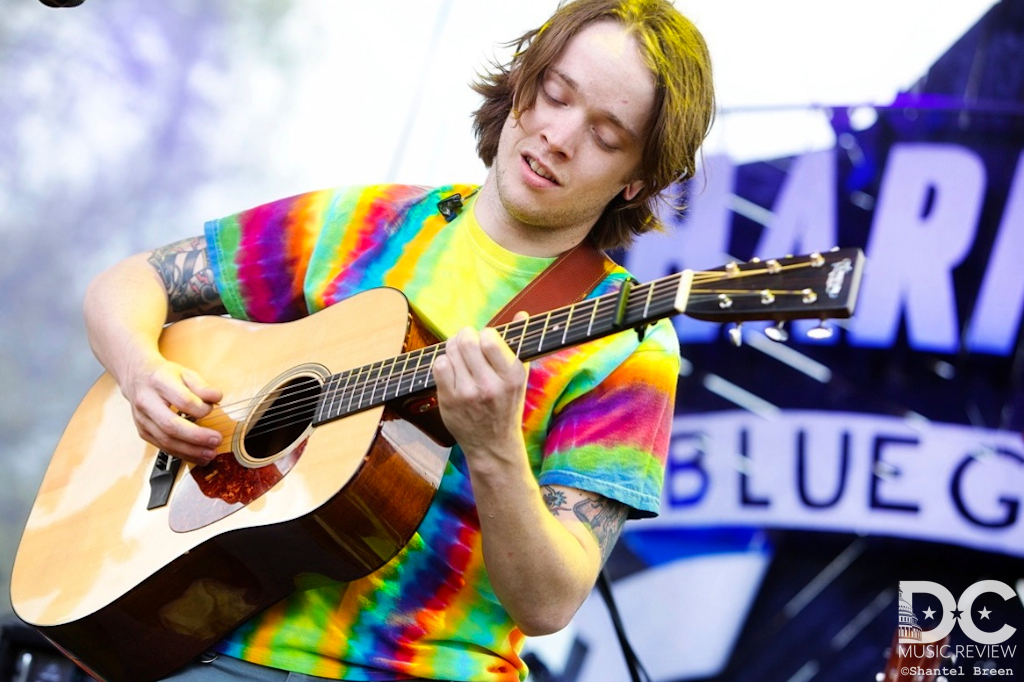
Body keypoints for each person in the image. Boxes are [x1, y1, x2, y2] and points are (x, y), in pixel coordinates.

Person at [83, 0, 714, 679]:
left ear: (638, 180)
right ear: (522, 80)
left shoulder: (629, 344)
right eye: (554, 93)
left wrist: (495, 448)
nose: (558, 135)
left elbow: (550, 602)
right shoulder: (365, 223)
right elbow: (129, 284)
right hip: (219, 644)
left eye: (606, 136)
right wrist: (143, 370)